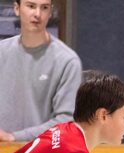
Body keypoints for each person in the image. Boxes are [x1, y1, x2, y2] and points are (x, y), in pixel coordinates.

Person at [0, 0, 82, 142]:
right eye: (31, 6)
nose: (37, 14)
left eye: (44, 8)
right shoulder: (2, 52)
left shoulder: (67, 61)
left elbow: (66, 121)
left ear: (50, 12)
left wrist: (14, 137)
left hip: (43, 151)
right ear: (17, 9)